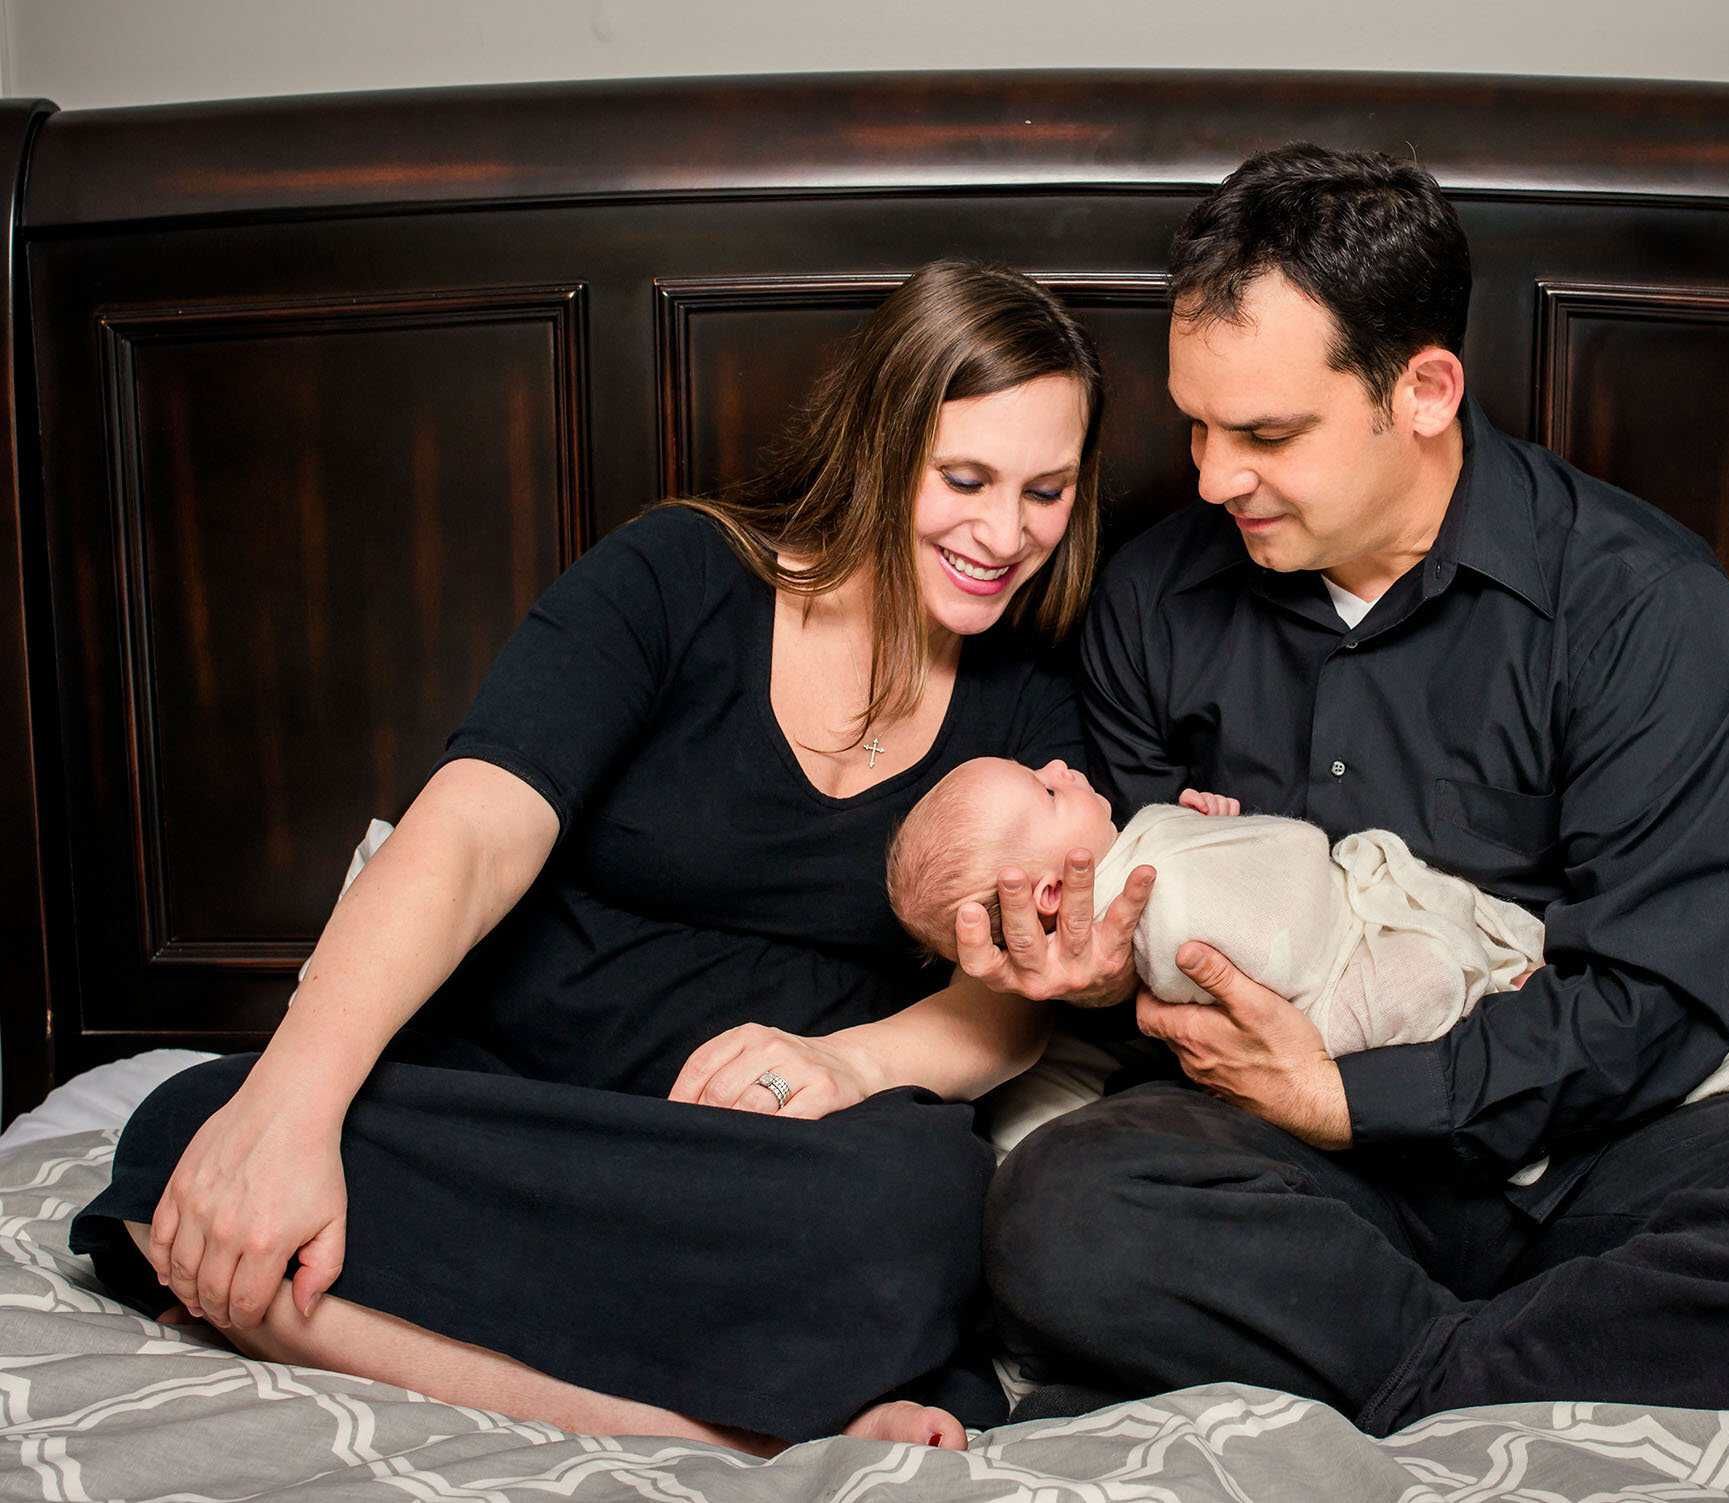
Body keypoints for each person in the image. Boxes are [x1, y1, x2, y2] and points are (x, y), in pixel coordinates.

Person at [975, 145, 1729, 1433]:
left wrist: (1356, 1098)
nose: (1210, 476)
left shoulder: (1640, 604)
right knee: (1059, 1211)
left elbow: (1655, 1005)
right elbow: (1149, 967)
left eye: (1265, 434)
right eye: (1196, 424)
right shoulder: (1155, 598)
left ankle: (1400, 1366)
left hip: (1602, 1150)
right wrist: (1104, 971)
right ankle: (1545, 1353)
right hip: (1293, 1173)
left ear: (1422, 391)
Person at [68, 260, 1150, 1455]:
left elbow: (1005, 1002)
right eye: (965, 479)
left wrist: (841, 1065)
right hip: (522, 1094)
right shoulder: (677, 577)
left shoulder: (1030, 700)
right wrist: (290, 1108)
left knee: (917, 1215)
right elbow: (470, 831)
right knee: (188, 1130)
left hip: (756, 1152)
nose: (1003, 534)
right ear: (879, 444)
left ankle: (316, 1319)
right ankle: (710, 1426)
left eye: (1045, 491)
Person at [890, 754, 1729, 1139]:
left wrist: (1214, 828)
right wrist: (1221, 859)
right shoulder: (1152, 906)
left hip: (1391, 1013)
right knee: (1428, 977)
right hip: (1341, 990)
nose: (1061, 766)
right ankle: (1498, 1002)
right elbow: (1275, 919)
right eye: (1046, 790)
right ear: (1051, 893)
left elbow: (1238, 864)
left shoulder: (1140, 849)